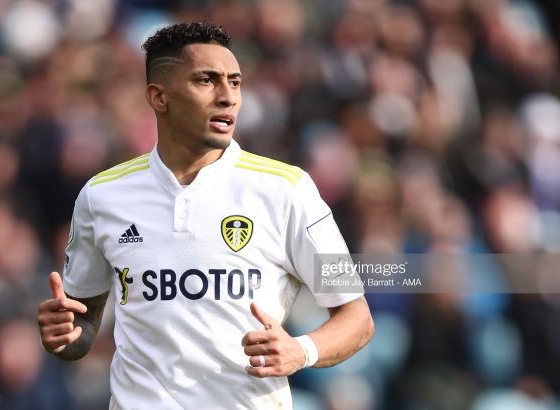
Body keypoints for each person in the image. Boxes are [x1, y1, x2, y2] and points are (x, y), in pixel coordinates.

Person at [37, 21, 374, 410]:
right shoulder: (102, 196)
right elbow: (84, 323)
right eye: (206, 80)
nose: (228, 97)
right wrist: (65, 335)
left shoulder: (288, 189)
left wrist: (302, 350)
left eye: (235, 82)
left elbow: (357, 317)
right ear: (158, 96)